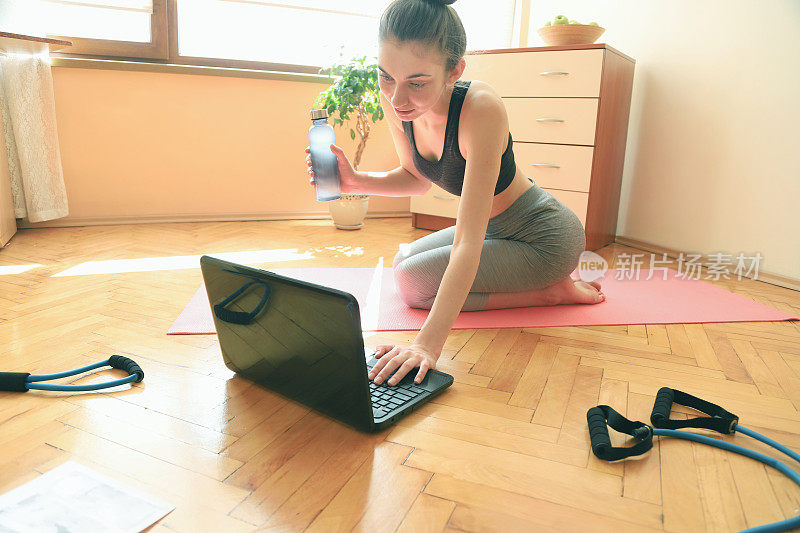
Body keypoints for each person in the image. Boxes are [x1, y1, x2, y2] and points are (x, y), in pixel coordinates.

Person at [304, 0, 604, 388]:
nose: (397, 99)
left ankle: (552, 292)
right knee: (405, 259)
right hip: (497, 229)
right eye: (385, 77)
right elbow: (416, 178)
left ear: (454, 70)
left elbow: (467, 242)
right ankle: (541, 285)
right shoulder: (399, 102)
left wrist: (426, 346)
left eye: (417, 83)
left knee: (413, 283)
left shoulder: (480, 109)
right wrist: (355, 181)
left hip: (543, 238)